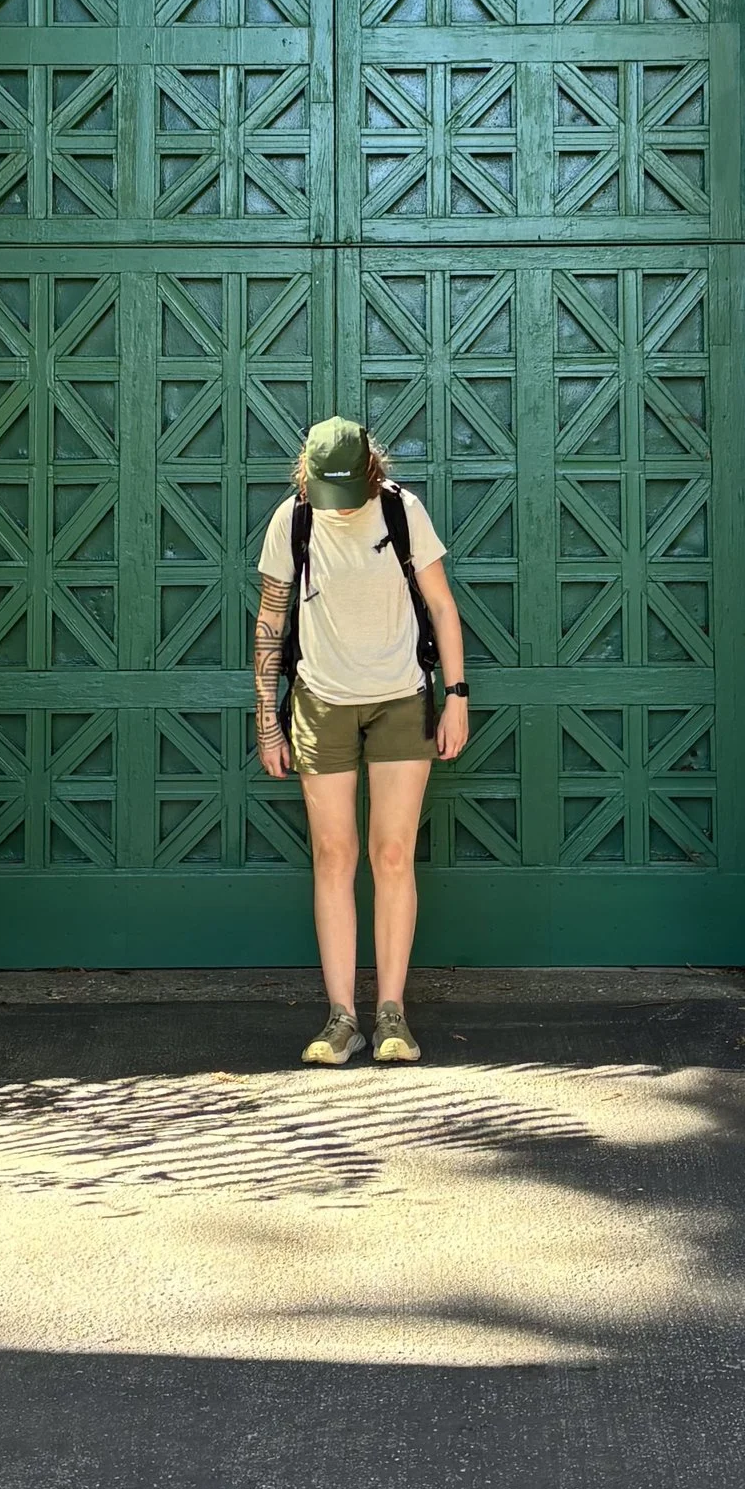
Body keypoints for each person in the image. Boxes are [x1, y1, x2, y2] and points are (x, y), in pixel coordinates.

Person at [255, 415, 469, 1067]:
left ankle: (392, 1014)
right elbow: (270, 619)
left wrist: (456, 697)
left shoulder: (402, 512)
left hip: (402, 700)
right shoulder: (291, 520)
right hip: (320, 705)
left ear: (371, 474)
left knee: (394, 854)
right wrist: (268, 718)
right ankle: (341, 1017)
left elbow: (441, 606)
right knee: (333, 855)